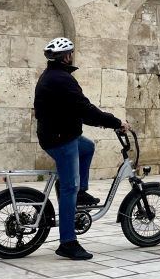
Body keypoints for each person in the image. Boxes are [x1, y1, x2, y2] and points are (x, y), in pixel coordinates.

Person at [34, 37, 131, 260]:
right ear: (66, 57)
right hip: (61, 139)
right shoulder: (62, 79)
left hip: (58, 134)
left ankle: (80, 193)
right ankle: (68, 242)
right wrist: (116, 122)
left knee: (87, 147)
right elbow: (85, 109)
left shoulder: (53, 76)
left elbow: (76, 110)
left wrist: (102, 122)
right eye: (71, 53)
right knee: (69, 188)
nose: (72, 56)